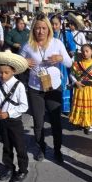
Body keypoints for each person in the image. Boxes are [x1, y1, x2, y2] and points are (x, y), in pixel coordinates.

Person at [21, 15, 72, 163]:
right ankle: (41, 148)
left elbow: (69, 63)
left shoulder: (57, 43)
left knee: (56, 121)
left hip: (53, 88)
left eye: (44, 28)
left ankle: (57, 150)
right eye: (38, 28)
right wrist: (24, 62)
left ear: (48, 29)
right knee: (38, 122)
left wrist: (61, 59)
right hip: (35, 88)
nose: (41, 31)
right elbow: (18, 64)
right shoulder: (28, 45)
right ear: (33, 29)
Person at [0, 51, 30, 182]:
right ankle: (9, 168)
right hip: (2, 121)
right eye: (0, 72)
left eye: (6, 72)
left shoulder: (19, 86)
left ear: (13, 71)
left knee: (20, 147)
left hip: (15, 122)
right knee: (6, 146)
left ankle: (23, 170)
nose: (3, 75)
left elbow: (24, 106)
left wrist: (9, 113)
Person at [68, 43, 92, 134]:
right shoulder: (77, 64)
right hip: (80, 89)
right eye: (83, 51)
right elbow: (71, 74)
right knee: (82, 106)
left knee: (90, 107)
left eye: (87, 51)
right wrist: (75, 82)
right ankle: (82, 121)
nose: (84, 53)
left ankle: (89, 124)